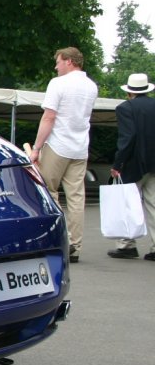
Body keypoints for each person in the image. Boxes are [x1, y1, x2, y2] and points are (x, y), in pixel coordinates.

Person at [29, 47, 97, 263]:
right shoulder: (91, 86)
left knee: (49, 191)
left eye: (58, 62)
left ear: (68, 61)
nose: (56, 66)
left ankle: (59, 239)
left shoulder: (58, 83)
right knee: (76, 197)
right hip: (80, 147)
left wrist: (37, 148)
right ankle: (75, 244)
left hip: (58, 146)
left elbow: (49, 117)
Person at [107, 73, 155, 259]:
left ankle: (127, 245)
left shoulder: (125, 108)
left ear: (129, 92)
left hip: (133, 164)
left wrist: (118, 163)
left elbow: (128, 138)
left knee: (128, 204)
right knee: (153, 205)